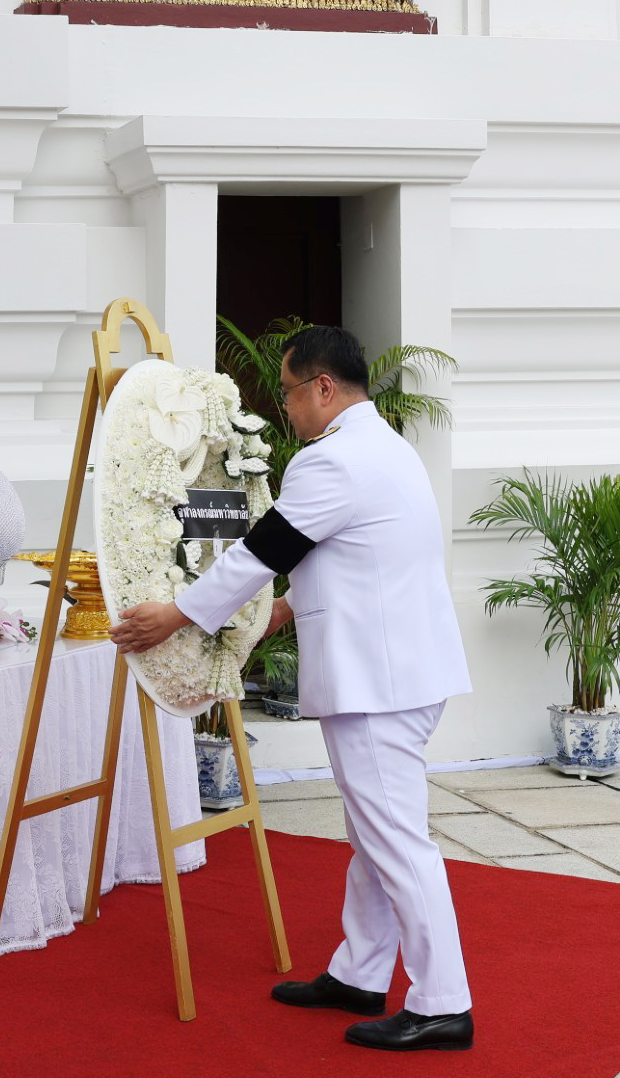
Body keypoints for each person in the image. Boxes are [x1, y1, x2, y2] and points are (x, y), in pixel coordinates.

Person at [110, 325, 475, 1053]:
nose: (286, 407)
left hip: (378, 680)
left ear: (323, 388)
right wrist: (276, 611)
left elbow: (266, 548)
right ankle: (360, 973)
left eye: (287, 391)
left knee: (397, 841)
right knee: (376, 837)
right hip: (403, 669)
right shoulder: (385, 447)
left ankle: (443, 1002)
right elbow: (344, 554)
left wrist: (179, 612)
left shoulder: (332, 460)